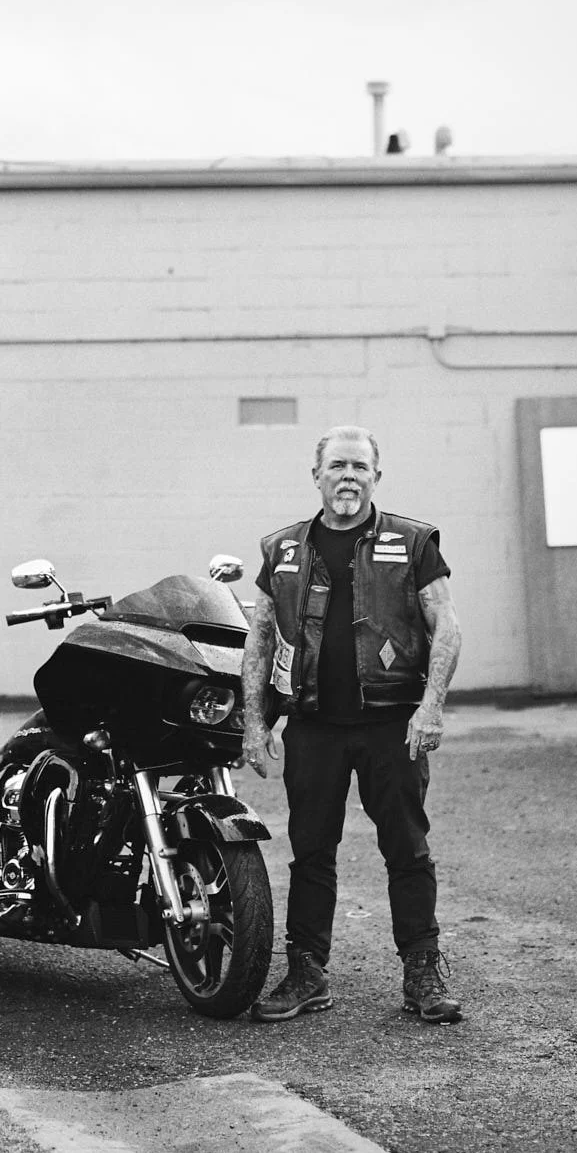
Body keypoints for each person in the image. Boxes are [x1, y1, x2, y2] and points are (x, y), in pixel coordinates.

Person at [241, 425, 463, 1024]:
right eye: (337, 466)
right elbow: (261, 637)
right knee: (311, 852)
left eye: (360, 468)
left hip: (392, 724)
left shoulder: (413, 543)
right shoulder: (282, 550)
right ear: (315, 475)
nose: (348, 476)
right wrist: (254, 722)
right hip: (313, 726)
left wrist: (432, 705)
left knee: (407, 849)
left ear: (376, 478)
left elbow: (446, 625)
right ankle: (306, 972)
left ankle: (421, 969)